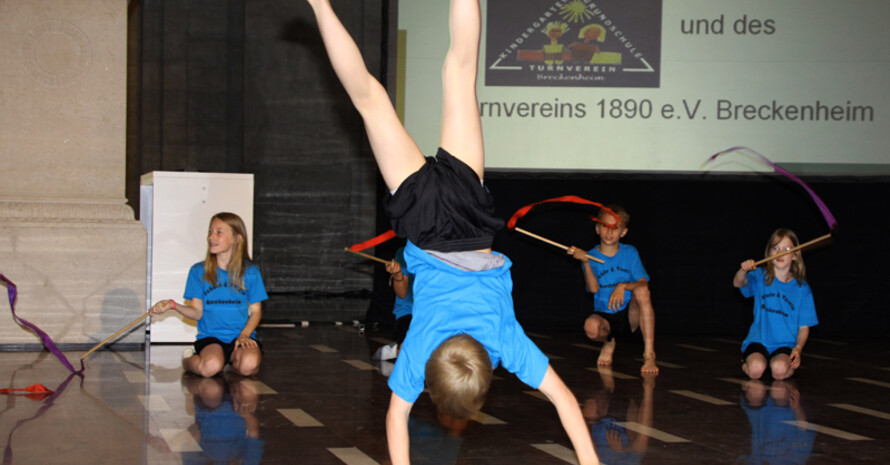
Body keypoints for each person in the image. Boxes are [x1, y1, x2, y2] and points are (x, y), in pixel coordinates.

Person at [306, 0, 599, 463]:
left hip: (468, 215)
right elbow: (395, 418)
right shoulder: (421, 352)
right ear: (432, 384)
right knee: (368, 99)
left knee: (460, 69)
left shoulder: (505, 343)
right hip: (423, 221)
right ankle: (320, 3)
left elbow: (564, 399)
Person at [149, 212, 268, 378]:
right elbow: (197, 312)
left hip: (241, 336)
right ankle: (188, 360)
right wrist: (174, 306)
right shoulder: (199, 271)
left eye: (219, 232)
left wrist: (245, 334)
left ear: (237, 238)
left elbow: (256, 311)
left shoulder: (250, 272)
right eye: (210, 232)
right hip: (212, 337)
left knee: (248, 366)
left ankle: (231, 362)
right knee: (209, 368)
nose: (211, 237)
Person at [567, 206, 658, 373]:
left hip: (630, 314)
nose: (609, 231)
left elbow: (644, 284)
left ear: (623, 232)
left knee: (642, 291)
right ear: (597, 229)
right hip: (606, 315)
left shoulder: (630, 253)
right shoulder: (591, 256)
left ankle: (649, 355)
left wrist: (623, 286)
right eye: (605, 226)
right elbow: (593, 289)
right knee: (591, 327)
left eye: (615, 228)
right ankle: (610, 340)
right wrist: (585, 262)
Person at [733, 228, 818, 380]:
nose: (780, 252)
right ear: (769, 252)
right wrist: (743, 270)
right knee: (755, 369)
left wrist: (798, 349)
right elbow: (738, 283)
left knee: (779, 371)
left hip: (785, 345)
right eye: (775, 248)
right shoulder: (760, 276)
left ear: (795, 255)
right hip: (759, 341)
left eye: (786, 249)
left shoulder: (802, 289)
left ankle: (779, 367)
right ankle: (748, 361)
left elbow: (804, 328)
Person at [375, 247, 414, 361]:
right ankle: (398, 348)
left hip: (434, 312)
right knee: (406, 354)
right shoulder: (405, 253)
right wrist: (397, 275)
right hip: (409, 312)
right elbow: (402, 294)